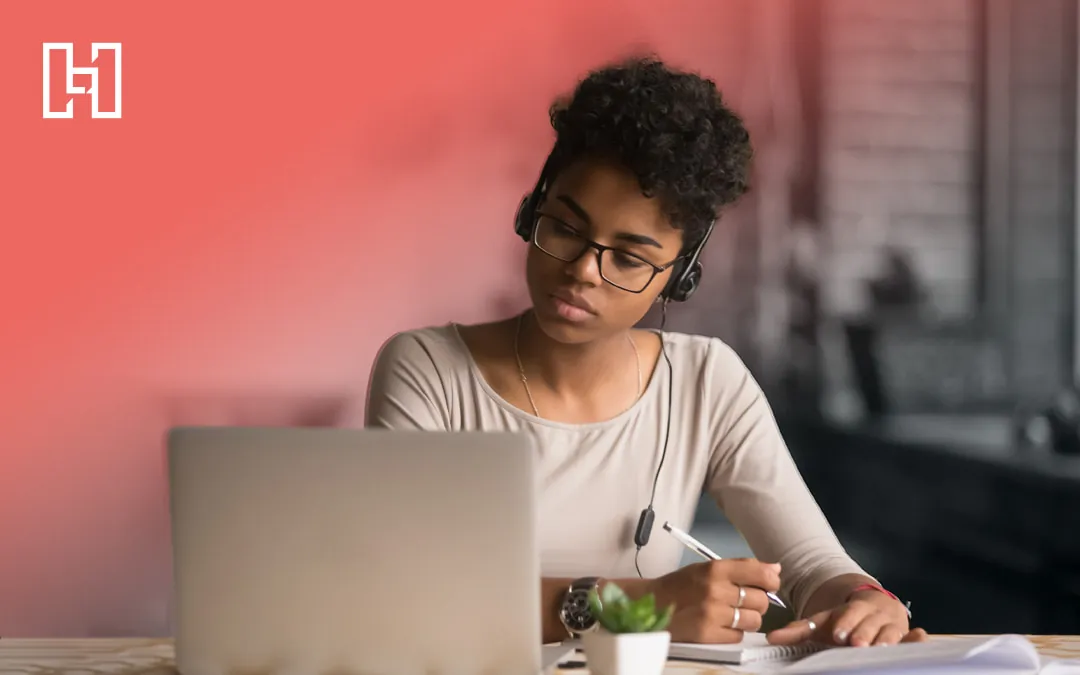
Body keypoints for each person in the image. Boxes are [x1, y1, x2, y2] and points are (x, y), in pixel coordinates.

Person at [363, 55, 927, 648]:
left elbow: (813, 566)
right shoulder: (429, 371)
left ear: (678, 278)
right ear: (532, 212)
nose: (582, 270)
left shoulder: (707, 381)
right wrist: (636, 605)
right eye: (564, 229)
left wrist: (865, 603)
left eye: (629, 258)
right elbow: (403, 592)